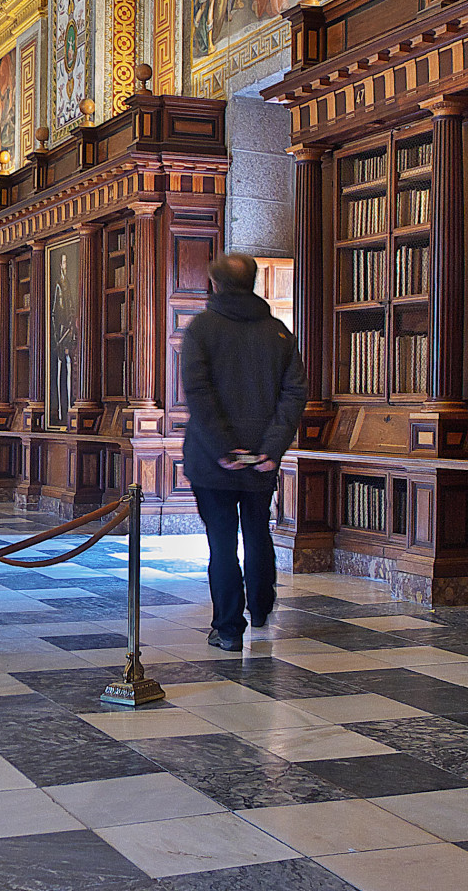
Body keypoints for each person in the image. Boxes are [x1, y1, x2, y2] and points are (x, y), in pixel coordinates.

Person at [180, 253, 306, 652]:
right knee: (257, 532)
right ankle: (263, 606)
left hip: (212, 461)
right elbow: (294, 395)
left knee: (222, 541)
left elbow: (199, 393)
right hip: (261, 461)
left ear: (215, 284)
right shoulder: (279, 332)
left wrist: (221, 448)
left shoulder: (201, 328)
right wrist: (271, 449)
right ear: (253, 283)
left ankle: (229, 628)